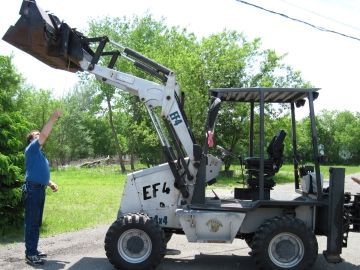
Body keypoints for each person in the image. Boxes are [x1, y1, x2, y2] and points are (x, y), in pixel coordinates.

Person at [24, 110, 61, 265]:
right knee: (32, 222)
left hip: (39, 189)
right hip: (32, 190)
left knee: (36, 222)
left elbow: (38, 173)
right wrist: (52, 118)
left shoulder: (40, 154)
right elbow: (45, 135)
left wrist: (50, 182)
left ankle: (33, 249)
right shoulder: (32, 149)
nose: (40, 135)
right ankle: (30, 254)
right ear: (31, 140)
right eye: (36, 134)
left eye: (39, 134)